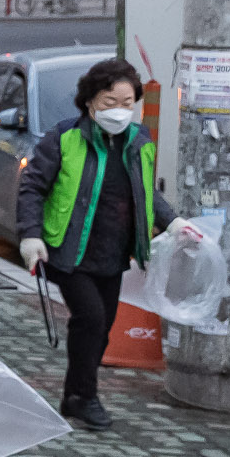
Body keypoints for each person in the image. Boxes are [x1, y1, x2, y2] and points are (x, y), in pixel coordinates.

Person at [16, 57, 187, 430]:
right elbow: (32, 187)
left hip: (114, 252)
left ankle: (75, 393)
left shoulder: (139, 142)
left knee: (101, 325)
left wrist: (172, 222)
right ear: (90, 102)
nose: (120, 111)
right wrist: (30, 235)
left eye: (128, 103)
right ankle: (83, 396)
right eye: (111, 103)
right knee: (91, 319)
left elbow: (145, 192)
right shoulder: (64, 138)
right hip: (68, 249)